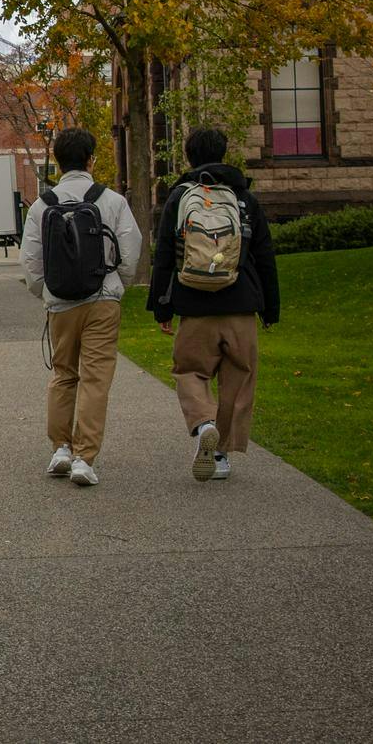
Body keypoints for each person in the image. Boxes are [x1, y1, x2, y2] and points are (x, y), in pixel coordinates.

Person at [149, 127, 280, 483]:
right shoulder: (244, 199)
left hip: (194, 304)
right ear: (224, 153)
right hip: (241, 303)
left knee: (190, 371)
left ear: (189, 157)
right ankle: (220, 453)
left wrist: (162, 307)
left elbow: (163, 257)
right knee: (238, 378)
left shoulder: (179, 197)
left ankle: (203, 422)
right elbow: (265, 256)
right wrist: (270, 309)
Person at [20, 128, 142, 487]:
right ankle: (84, 457)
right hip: (102, 297)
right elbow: (130, 253)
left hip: (61, 304)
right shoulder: (113, 200)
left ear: (57, 163)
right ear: (91, 159)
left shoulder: (42, 206)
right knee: (95, 378)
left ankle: (60, 446)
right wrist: (117, 281)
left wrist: (48, 291)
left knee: (63, 373)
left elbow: (31, 263)